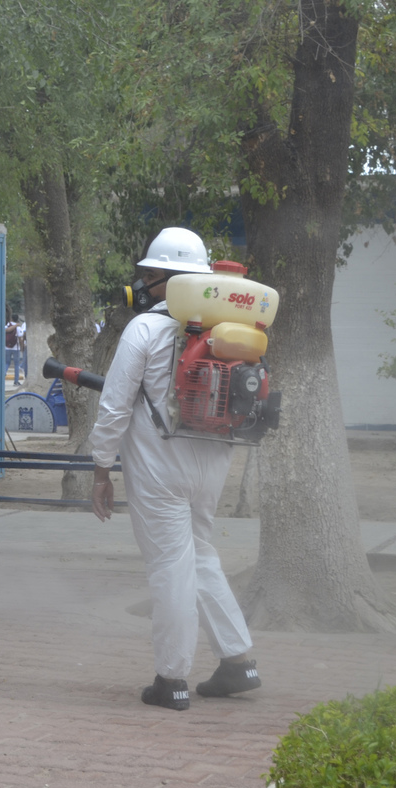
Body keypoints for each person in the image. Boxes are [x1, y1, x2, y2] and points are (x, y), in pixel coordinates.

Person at [89, 226, 261, 712]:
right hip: (213, 460)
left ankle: (172, 678)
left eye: (151, 273)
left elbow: (116, 406)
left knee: (170, 564)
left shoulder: (145, 327)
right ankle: (238, 661)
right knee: (199, 554)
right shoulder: (226, 330)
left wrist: (102, 468)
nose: (144, 281)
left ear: (168, 277)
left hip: (159, 466)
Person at [4, 313, 22, 386]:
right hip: (16, 348)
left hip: (7, 347)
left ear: (11, 318)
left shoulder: (7, 325)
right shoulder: (18, 327)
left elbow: (6, 331)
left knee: (7, 363)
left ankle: (3, 376)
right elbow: (20, 338)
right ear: (17, 319)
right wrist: (22, 347)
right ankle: (16, 381)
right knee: (16, 364)